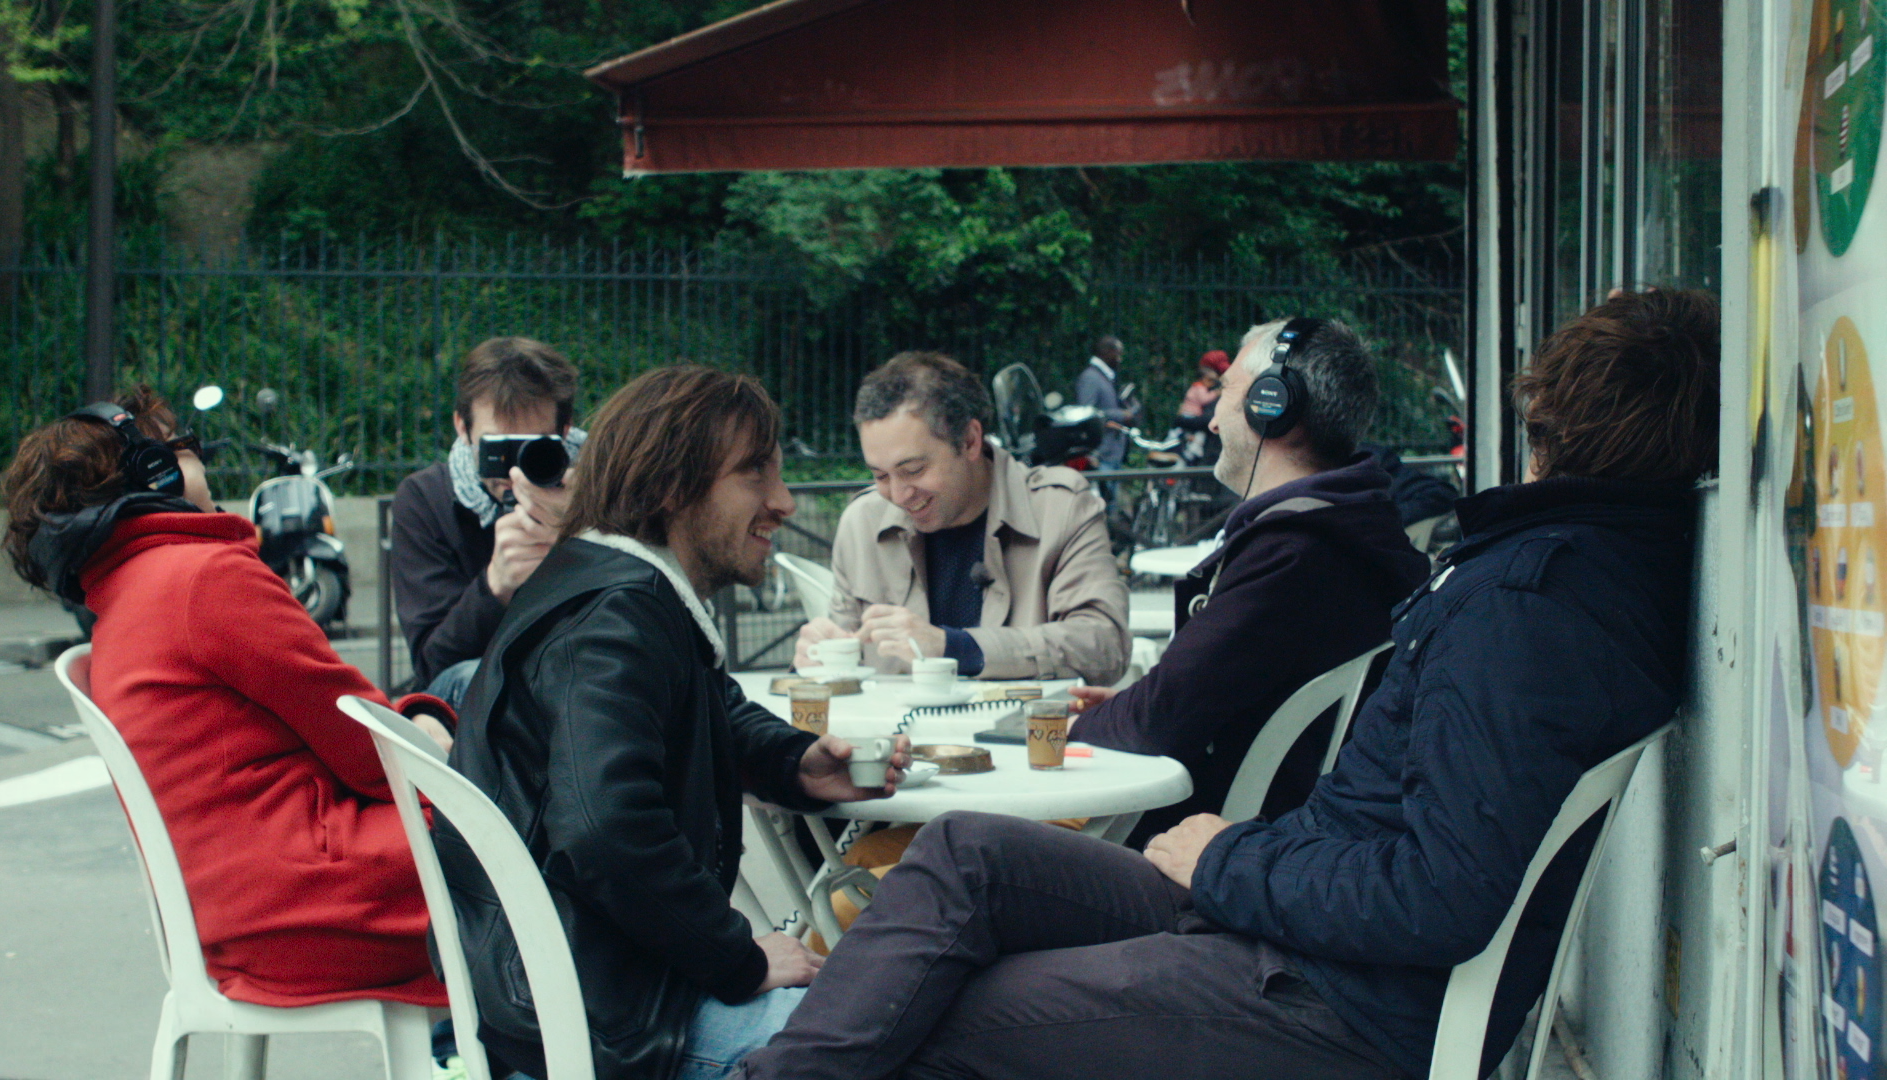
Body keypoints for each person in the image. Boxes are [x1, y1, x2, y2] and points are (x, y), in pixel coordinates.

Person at [736, 288, 1719, 1080]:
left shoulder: (1527, 607)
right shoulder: (1564, 575)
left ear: (1546, 420)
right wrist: (1236, 860)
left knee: (928, 1007)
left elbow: (1437, 894)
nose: (1212, 408)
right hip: (1287, 924)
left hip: (1329, 997)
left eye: (1232, 391)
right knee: (966, 850)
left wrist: (1225, 861)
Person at [438, 365, 913, 1080]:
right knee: (897, 1041)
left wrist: (793, 761)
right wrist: (737, 957)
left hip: (587, 983)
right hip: (599, 1016)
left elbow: (704, 703)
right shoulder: (615, 617)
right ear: (669, 487)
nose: (784, 501)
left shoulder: (616, 585)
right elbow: (604, 830)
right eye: (755, 472)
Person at [1, 387, 454, 1010]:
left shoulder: (124, 596)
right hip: (330, 909)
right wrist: (434, 730)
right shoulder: (203, 578)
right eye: (185, 445)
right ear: (156, 473)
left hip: (239, 923)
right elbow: (377, 757)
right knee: (545, 829)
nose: (200, 459)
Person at [1068, 319, 1429, 847]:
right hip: (1281, 843)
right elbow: (1195, 696)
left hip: (1217, 854)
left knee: (967, 845)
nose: (1214, 421)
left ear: (1274, 407)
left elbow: (1157, 723)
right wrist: (1130, 705)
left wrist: (1070, 727)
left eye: (1226, 393)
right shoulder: (1351, 526)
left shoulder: (1291, 554)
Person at [795, 351, 1129, 684]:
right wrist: (815, 661)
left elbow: (1105, 645)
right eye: (880, 475)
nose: (897, 496)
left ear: (970, 441)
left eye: (913, 470)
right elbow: (842, 669)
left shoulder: (1061, 508)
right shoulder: (862, 523)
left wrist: (953, 647)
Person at [390, 336, 582, 705]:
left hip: (573, 669)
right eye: (497, 449)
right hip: (476, 679)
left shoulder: (598, 486)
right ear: (462, 428)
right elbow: (432, 665)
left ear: (565, 431)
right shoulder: (427, 499)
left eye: (533, 448)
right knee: (477, 680)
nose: (514, 470)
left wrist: (581, 539)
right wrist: (495, 586)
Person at [1075, 333, 1138, 469]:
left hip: (1112, 453)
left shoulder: (1104, 377)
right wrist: (1121, 415)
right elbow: (1086, 412)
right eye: (1117, 354)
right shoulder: (1091, 377)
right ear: (1107, 352)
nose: (1119, 360)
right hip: (1101, 454)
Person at [1174, 349, 1231, 469]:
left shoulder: (1218, 390)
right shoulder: (1213, 388)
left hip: (1213, 452)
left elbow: (1208, 420)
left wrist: (1181, 420)